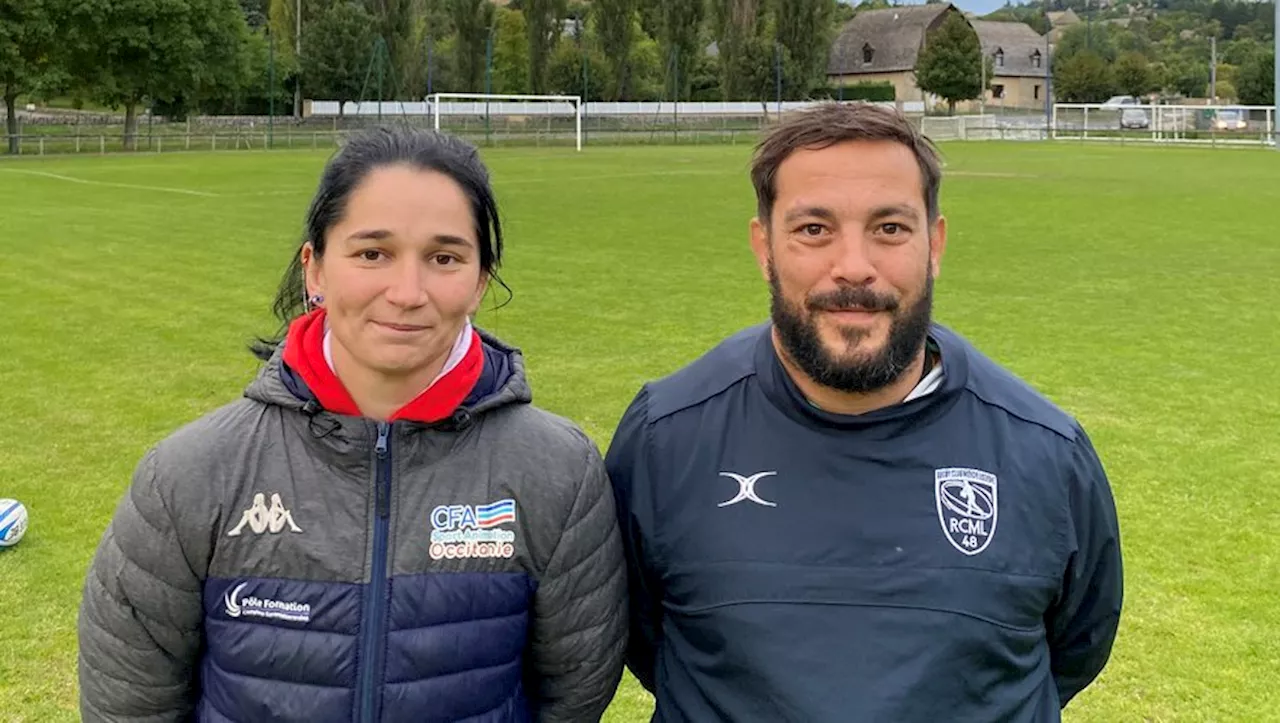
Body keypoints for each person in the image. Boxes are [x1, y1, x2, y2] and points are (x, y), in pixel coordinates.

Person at [78, 126, 627, 723]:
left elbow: (574, 694)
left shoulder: (557, 472)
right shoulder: (190, 474)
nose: (407, 292)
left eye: (444, 258)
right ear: (314, 269)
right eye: (373, 253)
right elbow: (129, 702)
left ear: (479, 282)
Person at [604, 102, 1123, 722]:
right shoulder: (667, 436)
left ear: (934, 244)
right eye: (814, 230)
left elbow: (1076, 645)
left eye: (890, 229)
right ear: (764, 246)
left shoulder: (1045, 450)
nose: (853, 267)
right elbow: (641, 638)